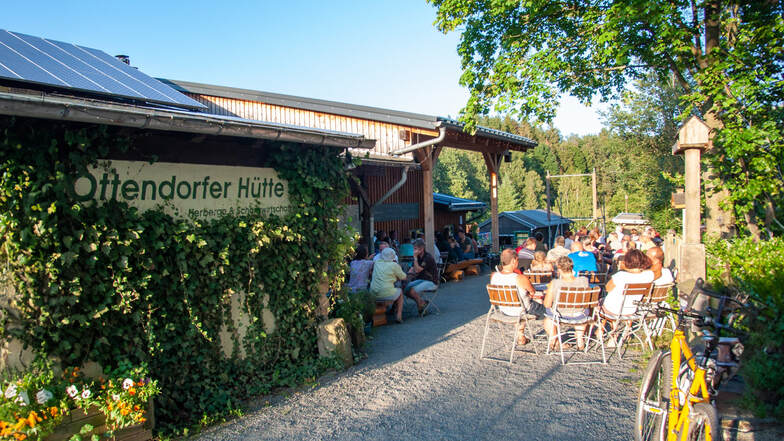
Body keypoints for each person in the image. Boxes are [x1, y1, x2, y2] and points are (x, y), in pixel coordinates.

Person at [489, 248, 545, 345]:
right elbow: (533, 292)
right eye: (517, 260)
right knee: (550, 310)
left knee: (520, 303)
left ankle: (521, 336)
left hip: (504, 310)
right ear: (514, 261)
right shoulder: (520, 278)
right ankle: (555, 341)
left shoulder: (493, 276)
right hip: (522, 311)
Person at [543, 257, 590, 351]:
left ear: (559, 268)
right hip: (579, 314)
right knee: (582, 310)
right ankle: (580, 339)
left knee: (548, 318)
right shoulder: (584, 280)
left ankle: (555, 341)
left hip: (560, 314)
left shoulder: (555, 283)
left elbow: (547, 304)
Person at [601, 249, 655, 318]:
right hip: (632, 310)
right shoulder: (649, 275)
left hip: (613, 309)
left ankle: (602, 328)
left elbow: (607, 289)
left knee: (600, 301)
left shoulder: (620, 275)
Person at [369, 248, 406, 323]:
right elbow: (404, 277)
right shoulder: (394, 265)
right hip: (387, 293)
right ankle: (399, 315)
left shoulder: (377, 262)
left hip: (373, 293)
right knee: (400, 292)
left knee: (389, 290)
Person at [405, 239, 437, 316]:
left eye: (415, 248)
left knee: (412, 291)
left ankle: (421, 306)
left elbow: (418, 270)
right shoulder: (418, 257)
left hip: (431, 281)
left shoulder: (427, 257)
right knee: (405, 290)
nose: (414, 250)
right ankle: (422, 303)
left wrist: (415, 258)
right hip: (421, 280)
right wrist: (405, 274)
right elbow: (413, 269)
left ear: (421, 249)